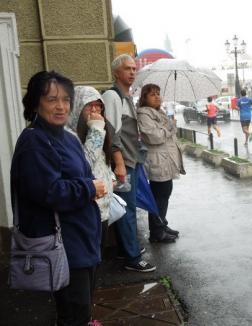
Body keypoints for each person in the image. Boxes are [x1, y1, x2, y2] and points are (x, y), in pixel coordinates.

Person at [11, 71, 106, 326]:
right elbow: (48, 192)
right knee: (73, 312)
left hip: (82, 238)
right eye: (52, 99)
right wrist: (89, 188)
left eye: (66, 99)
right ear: (34, 103)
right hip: (64, 244)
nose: (61, 106)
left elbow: (83, 171)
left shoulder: (66, 137)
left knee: (82, 306)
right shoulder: (35, 142)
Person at [102, 54, 156, 272]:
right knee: (127, 210)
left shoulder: (125, 96)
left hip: (131, 161)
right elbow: (111, 133)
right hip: (123, 163)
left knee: (129, 207)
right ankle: (132, 259)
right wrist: (120, 164)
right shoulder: (112, 96)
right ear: (116, 72)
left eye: (134, 68)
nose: (132, 72)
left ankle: (129, 248)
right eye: (127, 69)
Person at [67, 86, 114, 258]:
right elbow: (84, 164)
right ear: (78, 107)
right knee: (90, 259)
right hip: (88, 210)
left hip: (104, 209)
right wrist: (96, 130)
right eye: (89, 105)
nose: (95, 110)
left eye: (98, 105)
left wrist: (111, 178)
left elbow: (102, 161)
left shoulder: (98, 129)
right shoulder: (70, 136)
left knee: (99, 257)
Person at [137, 83, 185, 243]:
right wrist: (168, 127)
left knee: (165, 193)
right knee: (159, 196)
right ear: (144, 98)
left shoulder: (159, 112)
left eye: (158, 93)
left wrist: (169, 125)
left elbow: (167, 131)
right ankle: (156, 232)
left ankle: (162, 224)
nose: (157, 96)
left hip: (166, 160)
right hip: (157, 161)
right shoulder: (144, 114)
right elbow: (154, 136)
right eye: (152, 94)